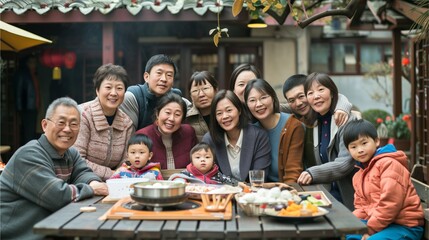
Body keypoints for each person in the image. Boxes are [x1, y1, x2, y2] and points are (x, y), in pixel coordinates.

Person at [0, 97, 108, 240]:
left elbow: (83, 173)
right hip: (16, 234)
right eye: (61, 122)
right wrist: (93, 189)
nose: (67, 129)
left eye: (74, 124)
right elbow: (57, 196)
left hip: (50, 228)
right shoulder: (29, 155)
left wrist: (93, 183)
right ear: (45, 125)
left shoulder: (71, 153)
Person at [343, 119, 424, 240]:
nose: (360, 149)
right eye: (353, 146)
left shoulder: (388, 164)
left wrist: (369, 231)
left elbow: (390, 204)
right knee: (347, 233)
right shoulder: (358, 175)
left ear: (376, 141)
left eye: (364, 143)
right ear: (348, 150)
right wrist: (355, 226)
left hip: (404, 225)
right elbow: (361, 207)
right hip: (381, 223)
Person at [296, 72, 358, 210]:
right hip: (328, 194)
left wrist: (312, 173)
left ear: (331, 92)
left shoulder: (346, 120)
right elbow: (282, 107)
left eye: (321, 89)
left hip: (350, 197)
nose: (316, 96)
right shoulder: (316, 121)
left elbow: (345, 163)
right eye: (310, 93)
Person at [74, 64, 134, 181]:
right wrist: (111, 174)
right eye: (108, 87)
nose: (113, 93)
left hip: (115, 183)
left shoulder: (127, 122)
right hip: (82, 179)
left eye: (119, 88)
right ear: (97, 90)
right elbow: (77, 159)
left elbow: (126, 160)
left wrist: (117, 175)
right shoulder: (83, 115)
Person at [283, 74, 355, 170]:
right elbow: (271, 106)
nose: (299, 103)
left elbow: (344, 162)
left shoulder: (341, 118)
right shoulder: (312, 120)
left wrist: (343, 106)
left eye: (301, 96)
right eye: (292, 100)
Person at [202, 90, 271, 182]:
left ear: (239, 110)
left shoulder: (258, 136)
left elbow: (259, 177)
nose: (225, 116)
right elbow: (208, 176)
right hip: (221, 194)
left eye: (229, 110)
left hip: (251, 193)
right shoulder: (209, 140)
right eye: (219, 113)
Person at [244, 79, 304, 183]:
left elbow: (293, 171)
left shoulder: (293, 126)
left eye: (263, 97)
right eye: (252, 100)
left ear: (273, 98)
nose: (258, 104)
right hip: (259, 192)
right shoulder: (250, 132)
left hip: (287, 191)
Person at [120, 54, 184, 130]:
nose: (164, 79)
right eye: (159, 73)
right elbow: (128, 135)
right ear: (146, 77)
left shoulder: (176, 97)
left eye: (169, 75)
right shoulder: (132, 97)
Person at [136, 93, 197, 169]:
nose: (171, 118)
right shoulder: (142, 136)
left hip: (183, 179)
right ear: (157, 114)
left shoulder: (189, 132)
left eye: (177, 114)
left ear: (182, 119)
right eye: (167, 113)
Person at [169, 142, 240, 185]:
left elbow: (231, 182)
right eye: (198, 157)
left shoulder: (218, 175)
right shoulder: (187, 174)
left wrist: (238, 184)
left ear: (213, 161)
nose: (202, 160)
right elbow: (177, 178)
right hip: (192, 199)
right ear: (192, 162)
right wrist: (180, 183)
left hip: (213, 200)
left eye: (207, 157)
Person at [186, 71, 219, 141]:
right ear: (191, 96)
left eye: (205, 88)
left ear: (215, 90)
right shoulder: (186, 118)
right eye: (195, 91)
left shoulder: (225, 113)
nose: (201, 94)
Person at [15, 54, 40, 145]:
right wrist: (20, 108)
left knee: (33, 131)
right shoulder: (23, 74)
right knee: (28, 132)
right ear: (27, 63)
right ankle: (28, 151)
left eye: (35, 62)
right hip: (27, 107)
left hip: (34, 106)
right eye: (31, 62)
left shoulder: (35, 73)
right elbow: (18, 91)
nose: (34, 64)